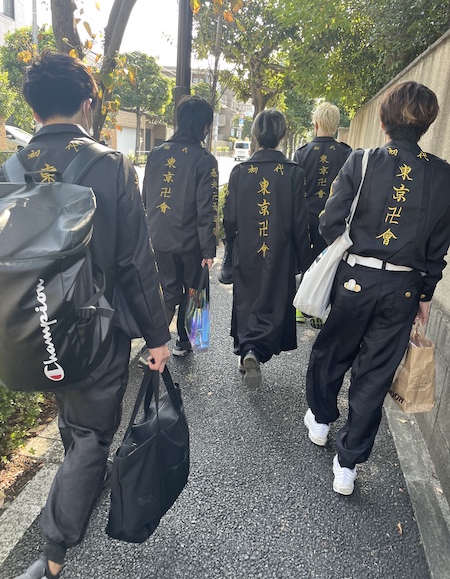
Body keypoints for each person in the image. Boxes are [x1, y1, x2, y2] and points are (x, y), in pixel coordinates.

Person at [4, 51, 170, 579]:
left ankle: (83, 477)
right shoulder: (109, 165)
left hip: (30, 326)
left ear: (33, 110)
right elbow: (135, 261)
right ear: (87, 103)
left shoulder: (10, 169)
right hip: (97, 330)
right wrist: (157, 335)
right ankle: (52, 554)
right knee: (94, 434)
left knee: (73, 417)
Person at [304, 81, 450, 496]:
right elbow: (438, 245)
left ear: (383, 122)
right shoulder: (442, 175)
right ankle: (347, 465)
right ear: (426, 125)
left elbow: (329, 223)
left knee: (332, 351)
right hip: (404, 288)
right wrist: (425, 295)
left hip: (356, 278)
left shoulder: (362, 161)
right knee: (375, 373)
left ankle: (321, 419)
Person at [223, 109, 311, 388]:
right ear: (282, 134)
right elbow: (300, 222)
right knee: (273, 301)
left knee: (247, 300)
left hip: (248, 250)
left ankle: (248, 349)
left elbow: (229, 219)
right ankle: (257, 352)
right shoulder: (293, 172)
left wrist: (230, 244)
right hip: (280, 252)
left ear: (255, 134)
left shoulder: (240, 171)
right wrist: (306, 261)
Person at [142, 95, 218, 356]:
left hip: (160, 236)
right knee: (194, 290)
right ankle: (187, 341)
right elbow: (207, 209)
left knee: (168, 290)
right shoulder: (205, 159)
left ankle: (153, 344)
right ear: (204, 126)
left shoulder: (156, 154)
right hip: (191, 241)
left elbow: (146, 197)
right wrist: (208, 250)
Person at [293, 103, 352, 328]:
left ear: (316, 124)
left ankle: (300, 308)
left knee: (305, 259)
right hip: (333, 219)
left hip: (305, 216)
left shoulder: (302, 152)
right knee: (326, 262)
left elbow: (295, 190)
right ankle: (318, 309)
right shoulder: (346, 153)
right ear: (336, 125)